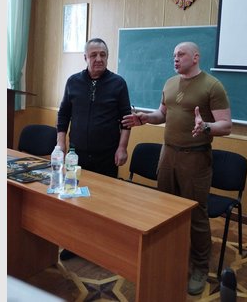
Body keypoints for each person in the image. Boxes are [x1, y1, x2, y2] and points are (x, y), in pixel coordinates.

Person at [121, 41, 232, 295]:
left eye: (181, 54)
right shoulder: (170, 83)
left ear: (196, 57)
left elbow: (226, 125)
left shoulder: (212, 85)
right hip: (168, 154)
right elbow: (162, 114)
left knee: (196, 213)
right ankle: (169, 255)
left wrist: (206, 126)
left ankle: (200, 267)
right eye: (174, 55)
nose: (175, 58)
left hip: (196, 158)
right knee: (165, 209)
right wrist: (146, 118)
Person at [57, 37, 132, 259]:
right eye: (93, 55)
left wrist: (122, 148)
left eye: (103, 55)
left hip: (106, 155)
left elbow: (126, 120)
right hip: (76, 155)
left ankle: (101, 247)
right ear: (85, 57)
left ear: (107, 57)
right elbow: (63, 114)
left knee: (103, 202)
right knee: (75, 200)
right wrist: (61, 143)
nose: (98, 59)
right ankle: (75, 244)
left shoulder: (118, 83)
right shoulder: (73, 81)